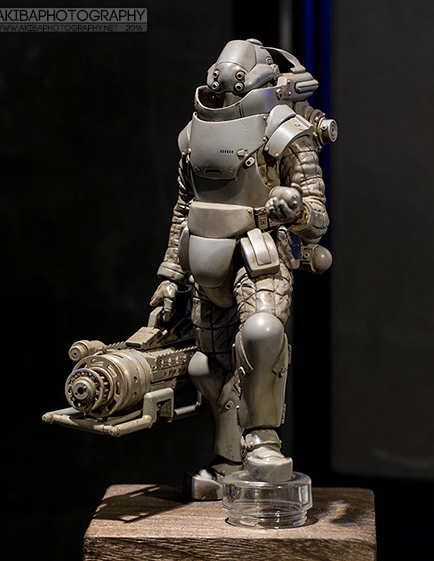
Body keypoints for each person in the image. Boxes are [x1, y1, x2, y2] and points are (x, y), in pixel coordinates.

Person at [150, 38, 336, 499]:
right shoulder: (194, 136)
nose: (221, 91)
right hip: (203, 256)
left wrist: (294, 212)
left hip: (260, 254)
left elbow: (318, 218)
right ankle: (228, 458)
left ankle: (263, 443)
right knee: (208, 366)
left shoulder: (286, 132)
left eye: (232, 84)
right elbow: (183, 209)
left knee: (261, 333)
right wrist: (170, 278)